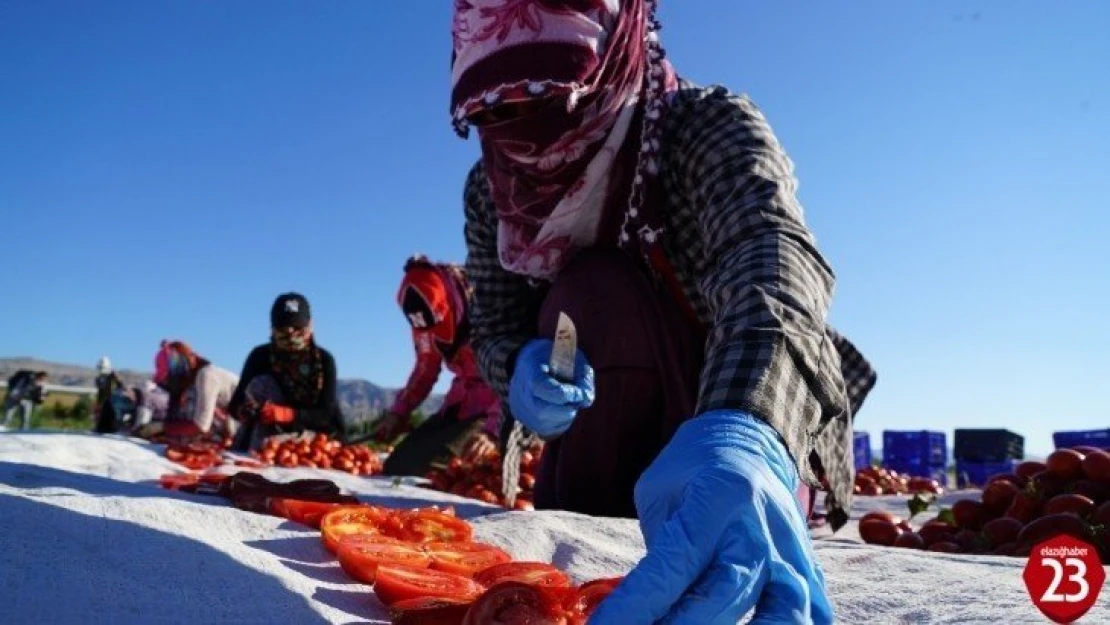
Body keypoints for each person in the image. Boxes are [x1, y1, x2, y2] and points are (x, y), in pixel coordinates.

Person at [449, 2, 878, 622]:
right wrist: (516, 362)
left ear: (611, 53)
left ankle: (735, 497)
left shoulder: (703, 127)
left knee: (599, 292)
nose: (518, 131)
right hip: (595, 434)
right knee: (590, 295)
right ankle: (594, 528)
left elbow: (772, 263)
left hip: (717, 398)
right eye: (490, 111)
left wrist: (748, 427)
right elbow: (494, 321)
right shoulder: (490, 188)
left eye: (542, 92)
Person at [373, 256, 502, 477]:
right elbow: (425, 369)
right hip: (459, 406)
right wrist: (399, 413)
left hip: (498, 407)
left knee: (437, 469)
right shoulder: (423, 320)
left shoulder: (488, 307)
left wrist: (495, 430)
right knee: (396, 466)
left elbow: (515, 375)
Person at [228, 293, 345, 451]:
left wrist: (288, 415)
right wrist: (247, 411)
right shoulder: (260, 356)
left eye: (298, 329)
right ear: (273, 329)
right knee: (261, 383)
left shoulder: (324, 361)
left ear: (310, 326)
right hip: (265, 432)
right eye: (283, 331)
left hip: (313, 434)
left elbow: (325, 414)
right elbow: (235, 404)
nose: (291, 336)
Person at [152, 340, 240, 441]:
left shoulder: (206, 375)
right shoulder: (196, 380)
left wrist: (164, 428)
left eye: (170, 377)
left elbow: (201, 425)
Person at [93, 356, 128, 434]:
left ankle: (110, 428)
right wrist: (98, 403)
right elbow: (100, 391)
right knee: (103, 414)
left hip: (113, 399)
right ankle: (102, 428)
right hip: (104, 399)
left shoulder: (113, 375)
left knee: (111, 414)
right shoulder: (99, 378)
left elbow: (121, 386)